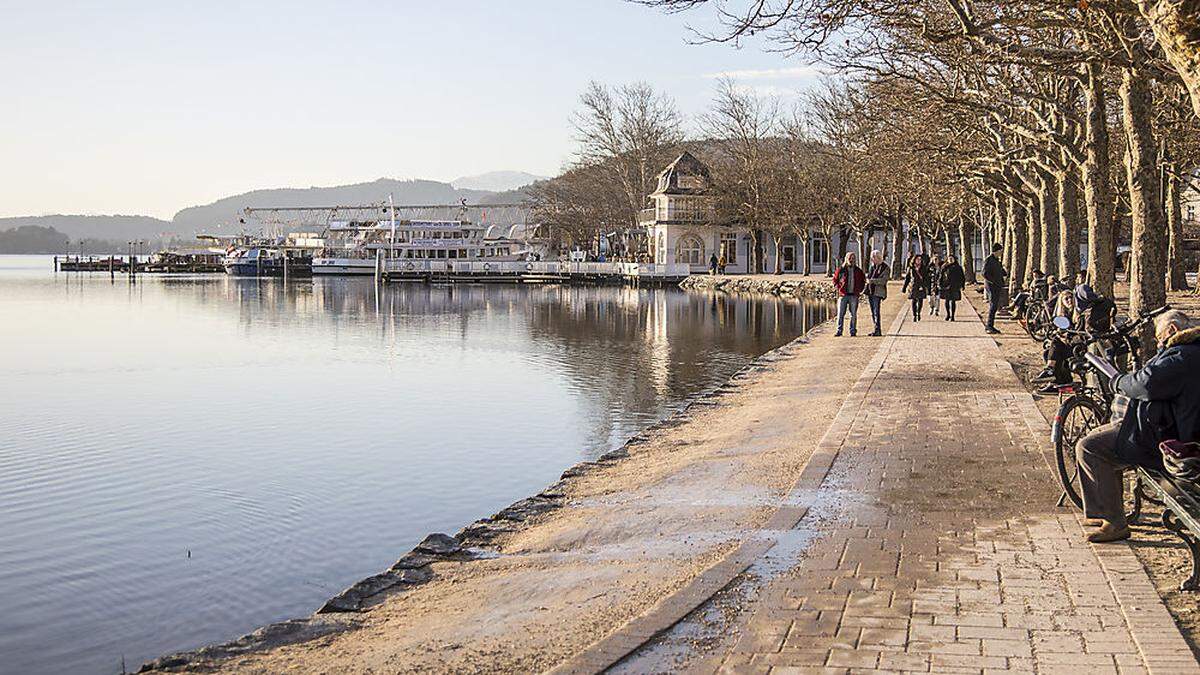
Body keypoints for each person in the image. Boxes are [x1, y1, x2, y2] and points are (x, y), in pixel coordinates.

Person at [1076, 310, 1200, 543]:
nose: (1158, 341)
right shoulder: (1191, 352)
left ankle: (1114, 522)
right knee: (1099, 437)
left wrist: (1117, 381)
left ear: (1172, 330)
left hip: (1171, 443)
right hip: (1174, 431)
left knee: (1090, 447)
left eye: (1159, 336)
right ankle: (1102, 511)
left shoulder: (1181, 357)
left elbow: (1146, 383)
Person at [832, 251, 866, 337]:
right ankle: (839, 331)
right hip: (843, 295)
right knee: (840, 314)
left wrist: (860, 290)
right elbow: (835, 280)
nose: (852, 260)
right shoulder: (841, 270)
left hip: (854, 295)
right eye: (850, 258)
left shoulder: (858, 271)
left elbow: (863, 281)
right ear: (846, 259)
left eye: (853, 258)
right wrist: (838, 288)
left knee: (853, 314)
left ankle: (853, 331)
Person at [865, 249, 890, 336]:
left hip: (878, 292)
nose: (872, 260)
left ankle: (878, 330)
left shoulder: (885, 268)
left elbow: (884, 280)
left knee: (876, 311)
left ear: (878, 258)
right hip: (870, 291)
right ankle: (875, 329)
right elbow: (869, 277)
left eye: (873, 258)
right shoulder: (873, 267)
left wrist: (872, 281)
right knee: (872, 311)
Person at [982, 243, 1006, 334]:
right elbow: (984, 273)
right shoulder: (989, 260)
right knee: (993, 306)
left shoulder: (997, 260)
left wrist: (1004, 273)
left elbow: (999, 270)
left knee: (995, 306)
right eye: (1000, 251)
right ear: (996, 251)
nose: (1001, 253)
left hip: (997, 285)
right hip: (992, 286)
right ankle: (989, 326)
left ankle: (991, 325)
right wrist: (993, 281)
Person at [902, 254, 931, 322]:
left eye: (920, 259)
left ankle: (918, 312)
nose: (919, 261)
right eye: (917, 259)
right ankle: (914, 315)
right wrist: (904, 287)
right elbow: (907, 278)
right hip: (913, 286)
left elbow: (927, 278)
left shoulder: (924, 268)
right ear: (914, 260)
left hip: (921, 286)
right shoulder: (911, 268)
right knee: (914, 300)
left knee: (920, 300)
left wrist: (928, 288)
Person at [939, 254, 965, 321]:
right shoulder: (944, 267)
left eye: (952, 259)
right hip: (946, 286)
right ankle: (948, 314)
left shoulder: (958, 267)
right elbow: (941, 276)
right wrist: (939, 284)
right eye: (949, 259)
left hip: (955, 286)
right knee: (947, 301)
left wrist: (962, 285)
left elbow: (962, 277)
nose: (950, 260)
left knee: (953, 301)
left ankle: (953, 316)